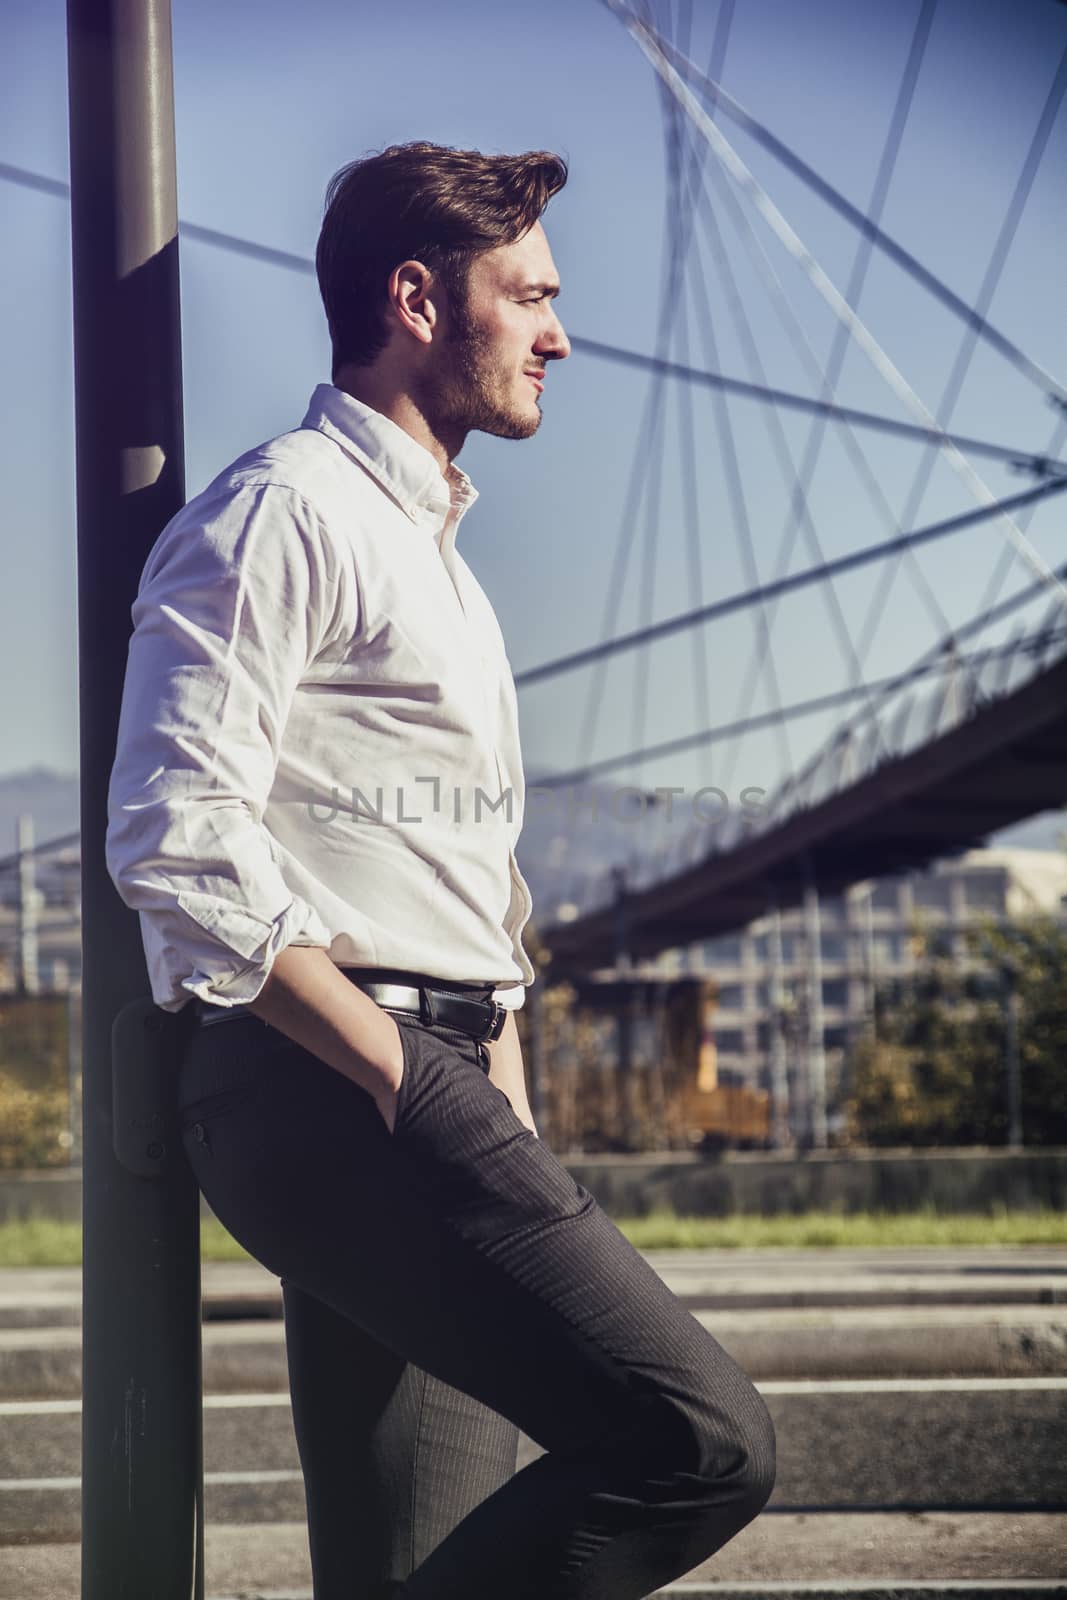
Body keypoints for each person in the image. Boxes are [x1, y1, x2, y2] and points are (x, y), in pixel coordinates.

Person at [105, 140, 775, 1600]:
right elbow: (174, 833)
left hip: (430, 1083)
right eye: (528, 295)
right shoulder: (283, 509)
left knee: (401, 1558)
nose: (560, 332)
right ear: (418, 298)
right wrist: (402, 1079)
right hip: (338, 1085)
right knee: (703, 1441)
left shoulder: (441, 566)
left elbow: (470, 885)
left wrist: (497, 1098)